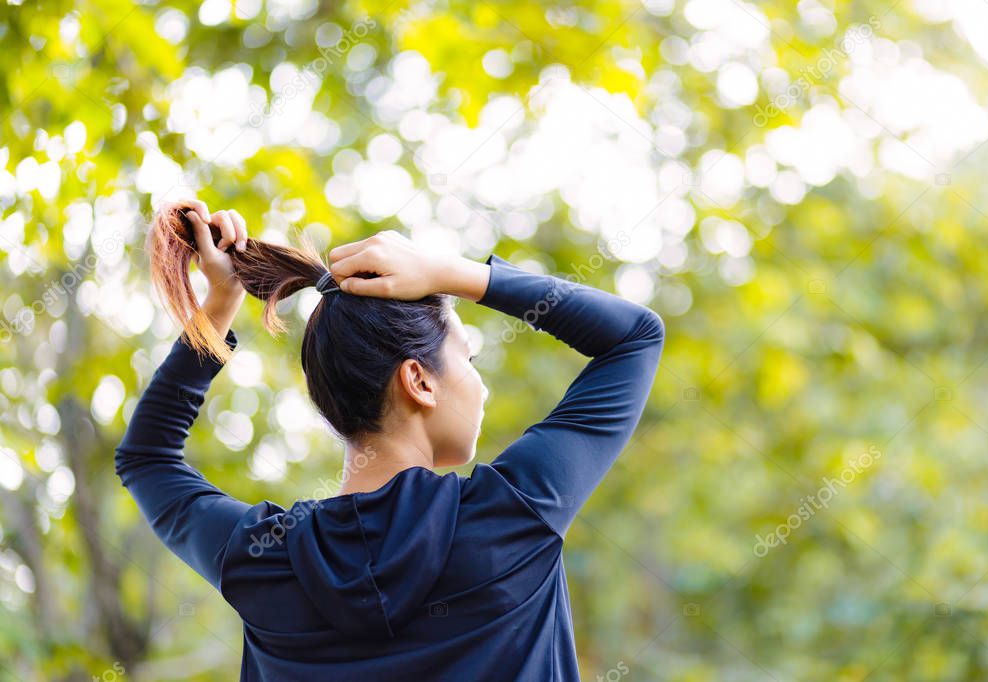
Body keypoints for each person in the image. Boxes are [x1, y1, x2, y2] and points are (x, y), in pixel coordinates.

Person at [115, 198, 665, 681]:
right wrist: (452, 274)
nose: (479, 383)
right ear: (419, 381)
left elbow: (147, 458)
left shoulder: (264, 560)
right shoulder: (513, 515)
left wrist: (217, 307)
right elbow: (635, 335)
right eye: (468, 360)